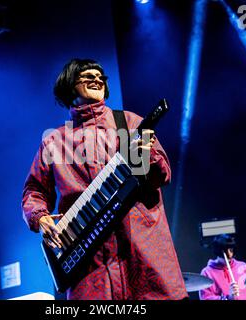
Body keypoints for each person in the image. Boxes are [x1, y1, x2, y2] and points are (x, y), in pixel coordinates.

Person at [21, 58, 188, 300]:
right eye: (88, 76)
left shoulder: (129, 123)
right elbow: (34, 190)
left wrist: (148, 155)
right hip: (89, 268)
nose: (97, 79)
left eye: (100, 77)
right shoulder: (54, 141)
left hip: (142, 258)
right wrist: (40, 217)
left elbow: (162, 175)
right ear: (69, 86)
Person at [199, 234, 246, 300]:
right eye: (226, 251)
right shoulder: (207, 273)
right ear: (218, 251)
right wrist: (228, 298)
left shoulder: (244, 268)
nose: (230, 254)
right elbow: (206, 298)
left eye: (231, 250)